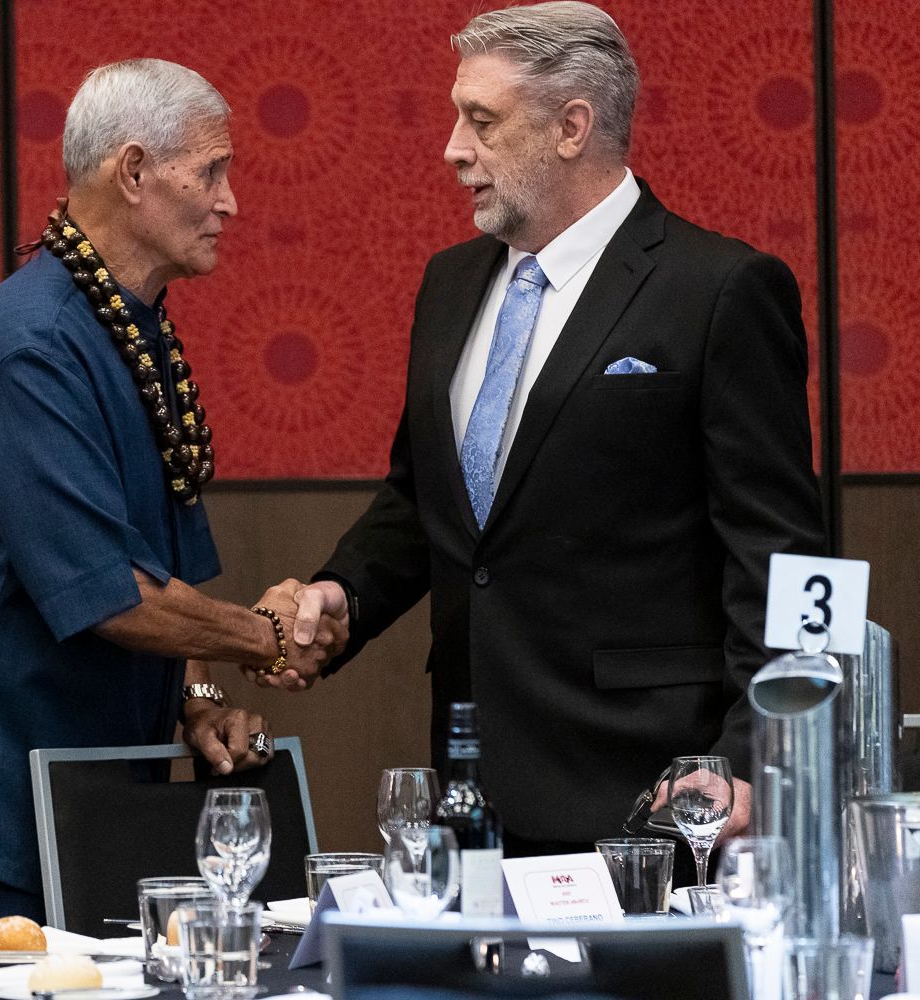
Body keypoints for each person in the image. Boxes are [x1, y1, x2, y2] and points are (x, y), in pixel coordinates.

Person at [278, 2, 826, 863]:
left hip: (653, 792)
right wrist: (339, 594)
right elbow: (430, 499)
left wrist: (751, 760)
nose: (453, 148)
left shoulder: (720, 289)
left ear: (573, 126)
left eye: (481, 120)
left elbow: (788, 556)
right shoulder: (450, 282)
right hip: (471, 792)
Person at [0, 58, 343, 1000]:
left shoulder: (138, 331)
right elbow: (108, 601)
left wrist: (202, 696)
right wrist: (267, 635)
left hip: (96, 796)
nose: (231, 201)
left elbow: (167, 579)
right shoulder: (32, 341)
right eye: (210, 172)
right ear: (133, 172)